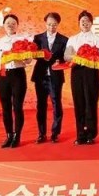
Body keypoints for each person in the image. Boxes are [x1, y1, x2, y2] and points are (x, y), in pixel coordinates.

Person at [0, 14, 34, 148]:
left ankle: (17, 136)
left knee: (17, 106)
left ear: (17, 25)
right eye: (8, 23)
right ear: (4, 25)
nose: (10, 25)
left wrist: (24, 58)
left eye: (13, 23)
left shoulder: (23, 40)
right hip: (4, 75)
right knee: (6, 107)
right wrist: (5, 57)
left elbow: (29, 59)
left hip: (18, 74)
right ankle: (8, 135)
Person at [65, 10, 99, 145]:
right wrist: (78, 57)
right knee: (79, 102)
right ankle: (80, 134)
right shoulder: (73, 39)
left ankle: (91, 134)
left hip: (92, 71)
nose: (85, 23)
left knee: (91, 102)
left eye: (87, 21)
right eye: (82, 21)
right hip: (77, 72)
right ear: (79, 23)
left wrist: (90, 56)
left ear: (91, 23)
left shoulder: (97, 39)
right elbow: (66, 56)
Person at [31, 12, 68, 144]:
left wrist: (60, 61)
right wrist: (41, 55)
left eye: (54, 25)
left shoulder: (64, 39)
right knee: (41, 105)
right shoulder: (38, 38)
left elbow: (66, 57)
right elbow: (33, 54)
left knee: (56, 104)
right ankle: (41, 134)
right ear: (45, 24)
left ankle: (55, 133)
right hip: (40, 76)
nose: (51, 27)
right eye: (49, 24)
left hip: (55, 76)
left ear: (58, 24)